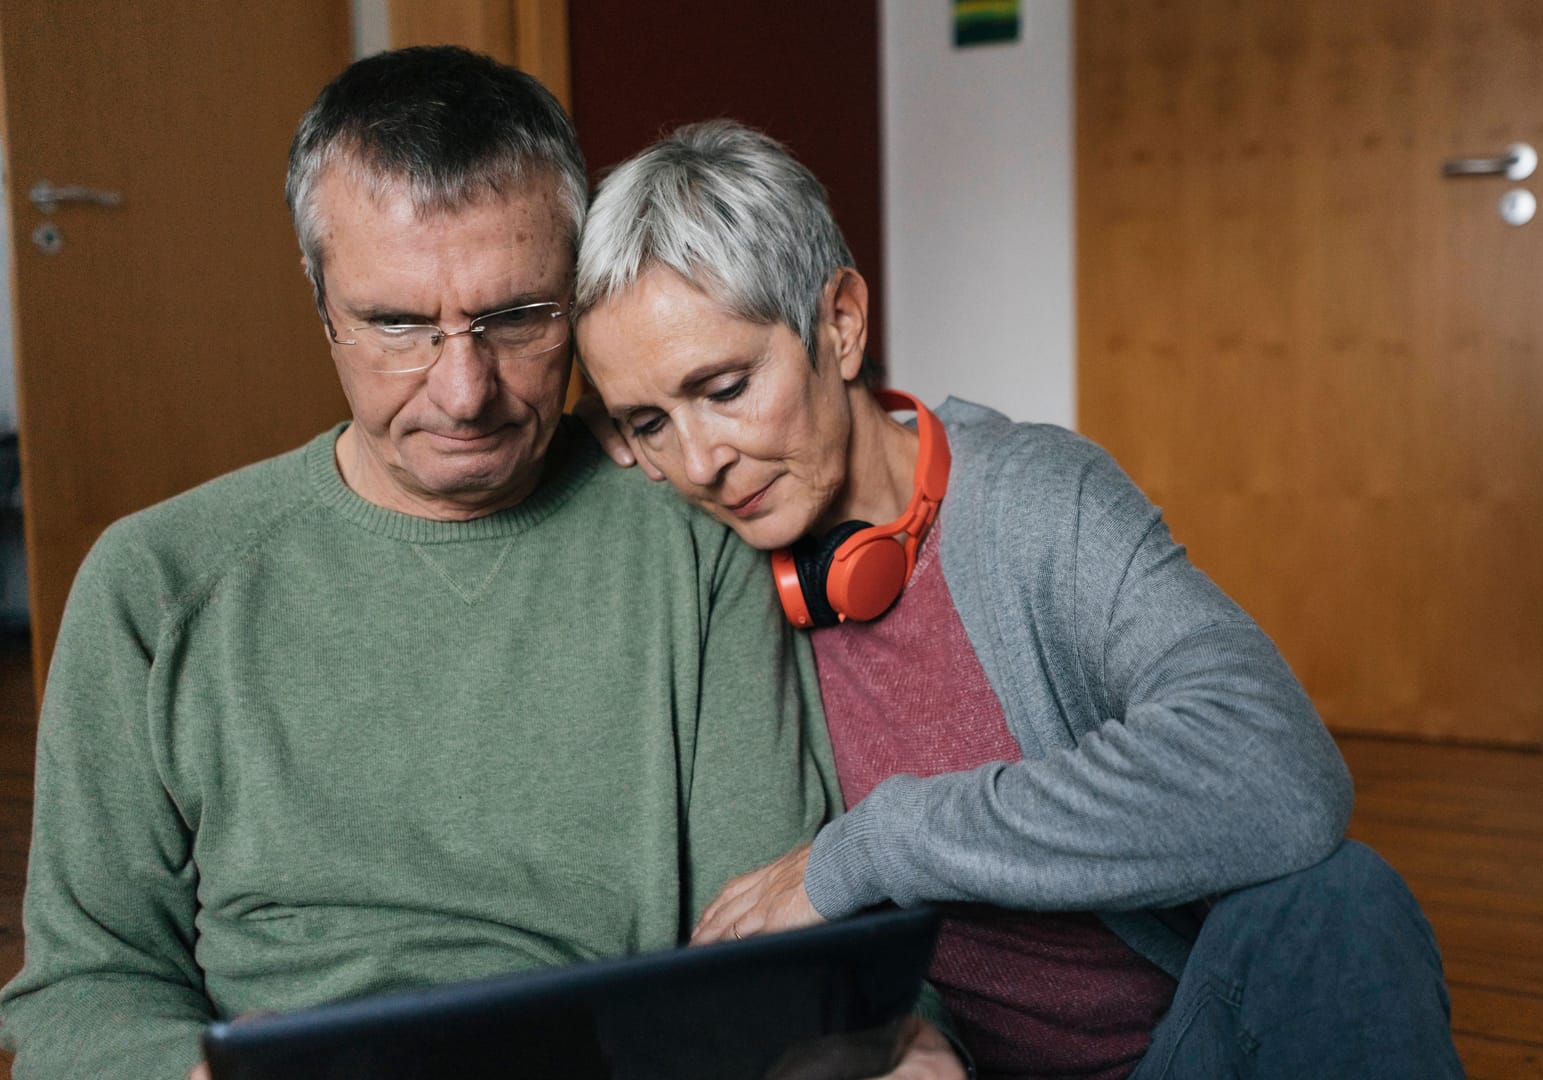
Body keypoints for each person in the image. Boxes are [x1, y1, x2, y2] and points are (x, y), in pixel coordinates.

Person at [0, 50, 960, 1080]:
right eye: (397, 325)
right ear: (322, 303)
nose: (466, 392)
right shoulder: (154, 585)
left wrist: (894, 1042)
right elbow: (82, 992)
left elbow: (773, 937)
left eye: (518, 319)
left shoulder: (695, 541)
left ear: (581, 297)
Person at [572, 120, 1467, 1078]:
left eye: (727, 386)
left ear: (838, 324)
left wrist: (882, 843)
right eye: (649, 422)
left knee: (1340, 898)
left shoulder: (1039, 502)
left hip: (1180, 1053)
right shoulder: (704, 564)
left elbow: (1278, 769)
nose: (702, 461)